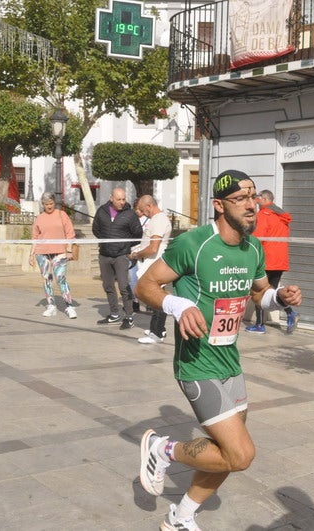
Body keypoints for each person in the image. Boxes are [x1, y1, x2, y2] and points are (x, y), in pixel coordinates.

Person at [135, 170, 302, 531]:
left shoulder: (253, 246)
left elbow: (258, 294)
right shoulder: (193, 243)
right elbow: (146, 286)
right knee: (240, 455)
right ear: (218, 205)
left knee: (225, 453)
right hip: (197, 363)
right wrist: (178, 306)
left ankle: (180, 518)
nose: (251, 205)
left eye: (253, 197)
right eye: (240, 198)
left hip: (231, 360)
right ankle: (163, 450)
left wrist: (279, 297)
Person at [245, 189, 299, 335]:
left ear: (264, 199)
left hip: (267, 260)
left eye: (257, 199)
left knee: (260, 292)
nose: (255, 202)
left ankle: (260, 324)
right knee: (272, 293)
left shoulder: (264, 215)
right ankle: (290, 313)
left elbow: (256, 239)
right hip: (280, 261)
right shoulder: (282, 217)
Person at [92, 187, 143, 330]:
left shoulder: (130, 214)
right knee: (108, 286)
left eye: (123, 199)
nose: (121, 202)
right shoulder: (102, 211)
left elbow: (138, 233)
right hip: (104, 254)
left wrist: (125, 245)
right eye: (118, 199)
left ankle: (129, 316)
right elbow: (96, 229)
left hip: (121, 256)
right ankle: (114, 314)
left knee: (124, 286)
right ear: (111, 198)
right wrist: (106, 241)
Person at [129, 195, 172, 344]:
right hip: (152, 261)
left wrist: (137, 254)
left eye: (142, 209)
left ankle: (157, 333)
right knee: (155, 295)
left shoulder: (159, 220)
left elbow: (153, 248)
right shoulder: (156, 219)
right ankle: (159, 329)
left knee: (155, 296)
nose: (141, 212)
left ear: (149, 206)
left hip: (154, 262)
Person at [28, 192, 77, 319]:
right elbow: (35, 237)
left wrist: (69, 249)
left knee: (61, 278)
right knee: (46, 279)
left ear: (54, 203)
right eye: (46, 204)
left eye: (51, 203)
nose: (49, 206)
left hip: (60, 252)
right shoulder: (39, 218)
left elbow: (70, 233)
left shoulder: (62, 215)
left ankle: (69, 306)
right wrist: (31, 254)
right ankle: (51, 306)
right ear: (42, 204)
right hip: (42, 253)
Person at [129, 199, 149, 314]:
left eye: (139, 208)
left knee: (145, 277)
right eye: (136, 208)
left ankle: (148, 302)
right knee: (132, 277)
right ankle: (135, 301)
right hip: (132, 252)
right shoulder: (131, 219)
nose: (138, 211)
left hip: (145, 253)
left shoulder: (151, 220)